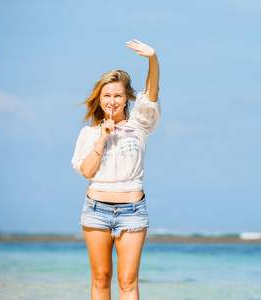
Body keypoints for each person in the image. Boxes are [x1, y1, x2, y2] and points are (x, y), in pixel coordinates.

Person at [71, 39, 160, 300]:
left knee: (128, 281)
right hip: (96, 210)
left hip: (132, 211)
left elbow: (152, 93)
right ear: (99, 100)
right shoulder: (88, 133)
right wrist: (102, 137)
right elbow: (87, 171)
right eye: (107, 96)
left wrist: (152, 58)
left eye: (118, 95)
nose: (112, 100)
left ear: (126, 99)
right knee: (101, 279)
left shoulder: (139, 125)